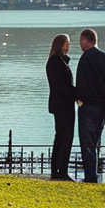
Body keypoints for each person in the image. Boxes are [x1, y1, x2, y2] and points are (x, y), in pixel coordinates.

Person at [73, 27, 105, 183]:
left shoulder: (85, 58)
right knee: (96, 141)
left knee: (87, 143)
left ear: (87, 40)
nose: (80, 44)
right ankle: (95, 174)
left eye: (81, 41)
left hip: (87, 107)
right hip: (102, 108)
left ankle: (90, 176)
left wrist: (79, 100)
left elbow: (81, 83)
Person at [44, 33, 78, 181]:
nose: (68, 46)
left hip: (61, 104)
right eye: (66, 43)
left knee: (60, 137)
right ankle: (61, 171)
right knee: (65, 137)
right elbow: (64, 87)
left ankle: (57, 170)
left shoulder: (56, 62)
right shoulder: (56, 63)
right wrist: (77, 94)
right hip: (63, 105)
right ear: (60, 44)